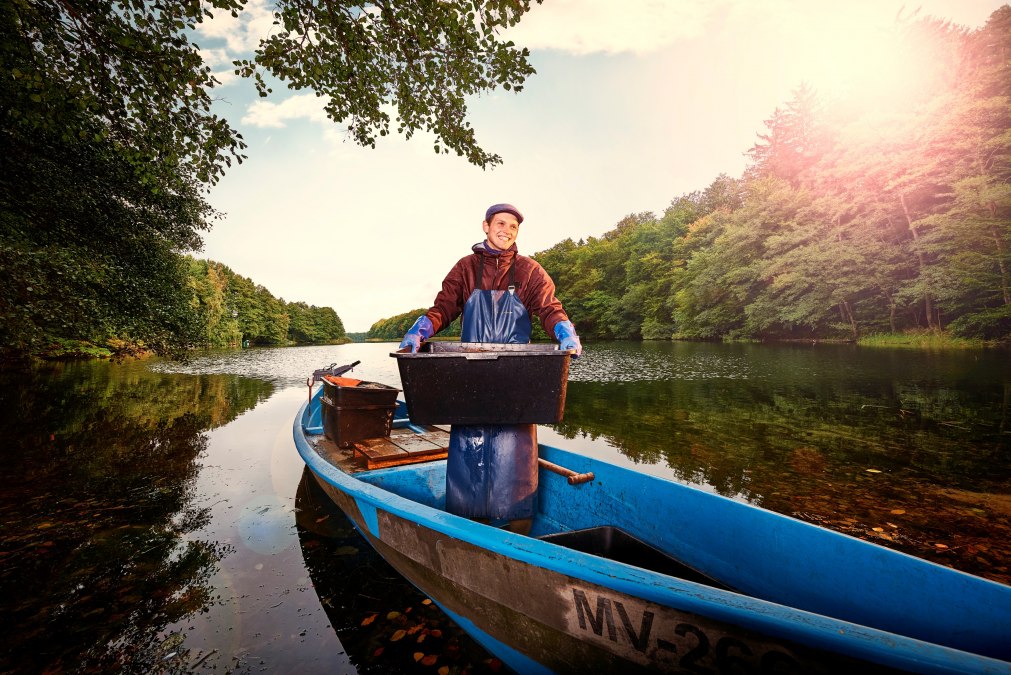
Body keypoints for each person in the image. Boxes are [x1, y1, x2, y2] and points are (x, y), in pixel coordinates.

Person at [399, 203, 582, 533]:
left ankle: (519, 526)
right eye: (501, 223)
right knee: (470, 454)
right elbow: (444, 307)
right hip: (471, 378)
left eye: (514, 227)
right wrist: (420, 329)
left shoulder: (529, 271)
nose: (507, 230)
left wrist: (564, 331)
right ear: (485, 226)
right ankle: (472, 525)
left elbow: (550, 308)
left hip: (515, 380)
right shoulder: (465, 268)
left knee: (517, 458)